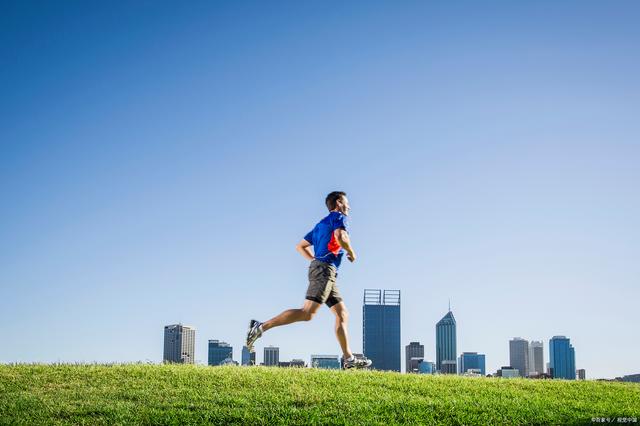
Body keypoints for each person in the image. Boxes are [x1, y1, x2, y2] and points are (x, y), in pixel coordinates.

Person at [246, 191, 372, 369]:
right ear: (338, 203)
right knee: (307, 313)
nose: (349, 207)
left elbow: (300, 246)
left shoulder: (321, 224)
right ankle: (261, 327)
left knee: (342, 313)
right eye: (346, 203)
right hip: (325, 270)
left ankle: (349, 359)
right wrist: (351, 252)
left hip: (326, 271)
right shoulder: (339, 217)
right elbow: (341, 237)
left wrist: (314, 261)